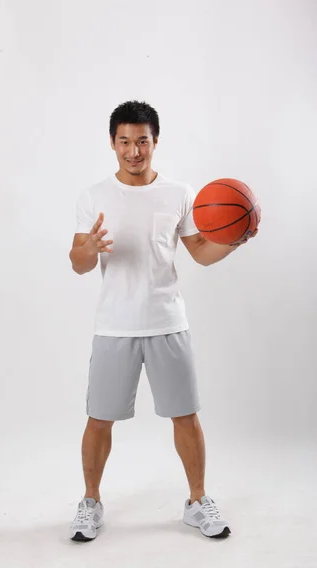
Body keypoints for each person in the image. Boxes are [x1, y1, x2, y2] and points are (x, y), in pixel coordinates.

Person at [68, 100, 258, 542]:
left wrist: (236, 239)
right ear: (112, 144)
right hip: (115, 325)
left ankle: (197, 501)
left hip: (168, 322)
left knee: (186, 416)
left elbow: (201, 253)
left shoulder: (179, 193)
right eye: (125, 142)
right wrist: (90, 248)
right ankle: (90, 501)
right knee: (99, 419)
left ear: (155, 142)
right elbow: (77, 263)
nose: (134, 151)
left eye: (143, 142)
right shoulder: (93, 196)